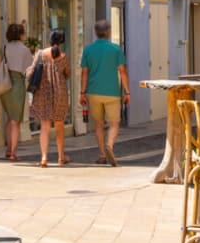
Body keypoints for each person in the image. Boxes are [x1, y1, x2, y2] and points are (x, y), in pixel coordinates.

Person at [80, 19, 129, 166]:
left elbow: (84, 73)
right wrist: (127, 92)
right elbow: (123, 71)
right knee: (114, 123)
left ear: (96, 33)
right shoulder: (115, 49)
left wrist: (82, 92)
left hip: (93, 92)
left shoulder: (88, 50)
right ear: (108, 32)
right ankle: (110, 146)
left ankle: (102, 154)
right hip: (112, 92)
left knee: (99, 124)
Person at [0, 22, 33, 161]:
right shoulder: (25, 50)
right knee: (15, 120)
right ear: (20, 34)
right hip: (17, 84)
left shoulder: (4, 48)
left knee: (10, 118)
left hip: (4, 86)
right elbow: (28, 69)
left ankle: (8, 149)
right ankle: (13, 152)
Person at [26, 29, 71, 167]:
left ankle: (44, 158)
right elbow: (67, 74)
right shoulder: (64, 57)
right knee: (59, 125)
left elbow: (31, 72)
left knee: (44, 126)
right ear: (62, 41)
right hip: (60, 93)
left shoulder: (40, 54)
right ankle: (61, 157)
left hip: (42, 93)